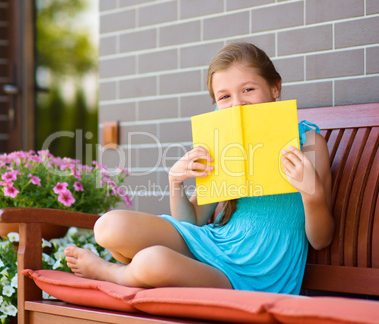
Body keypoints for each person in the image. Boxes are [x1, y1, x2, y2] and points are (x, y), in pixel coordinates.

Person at [65, 41, 334, 294]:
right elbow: (190, 223)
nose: (237, 103)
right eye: (225, 96)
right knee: (109, 226)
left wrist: (312, 194)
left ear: (275, 88)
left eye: (248, 90)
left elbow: (321, 240)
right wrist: (176, 182)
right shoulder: (225, 143)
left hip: (253, 274)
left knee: (151, 260)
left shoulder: (308, 143)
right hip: (214, 246)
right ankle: (144, 270)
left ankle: (116, 274)